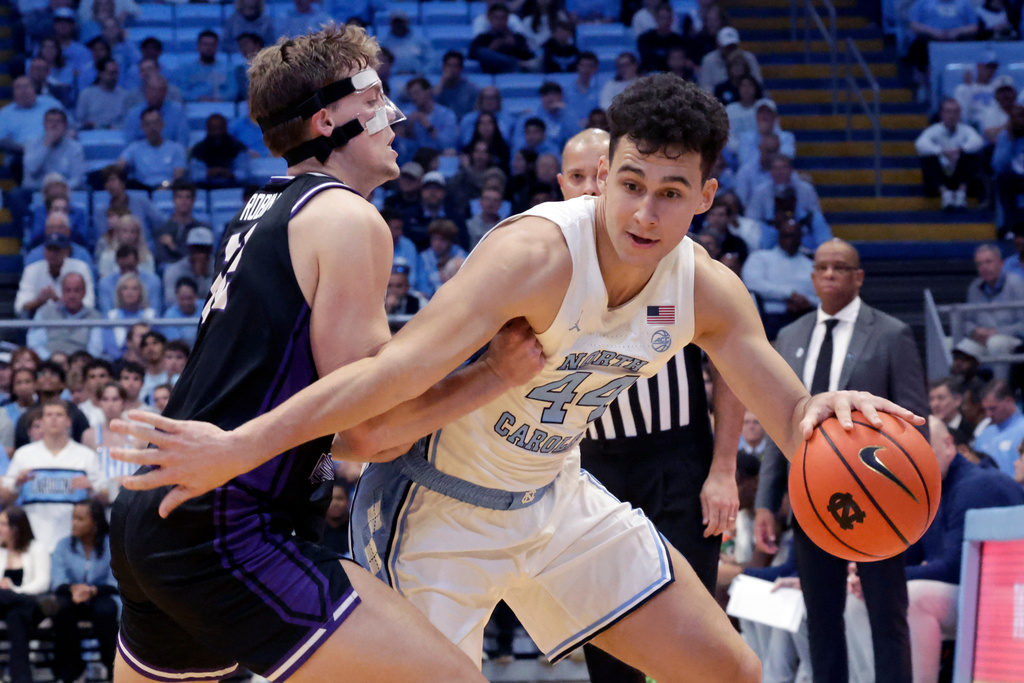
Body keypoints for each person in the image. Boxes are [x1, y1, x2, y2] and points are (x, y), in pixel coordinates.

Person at [111, 73, 923, 682]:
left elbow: (793, 417)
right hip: (436, 511)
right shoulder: (533, 258)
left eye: (671, 195)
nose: (644, 212)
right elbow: (379, 391)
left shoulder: (707, 288)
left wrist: (828, 414)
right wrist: (240, 445)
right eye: (631, 184)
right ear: (605, 174)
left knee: (732, 672)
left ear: (706, 197)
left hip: (556, 500)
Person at [106, 23, 523, 683]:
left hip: (151, 514)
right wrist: (495, 372)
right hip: (225, 523)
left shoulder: (263, 205)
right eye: (374, 98)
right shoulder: (350, 220)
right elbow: (370, 432)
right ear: (327, 119)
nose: (393, 115)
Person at [555, 116, 746, 683]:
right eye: (577, 177)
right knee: (607, 639)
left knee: (689, 635)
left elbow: (733, 371)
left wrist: (724, 469)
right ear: (562, 184)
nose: (589, 187)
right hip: (589, 468)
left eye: (598, 177)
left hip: (678, 458)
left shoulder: (685, 265)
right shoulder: (543, 263)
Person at [754, 238, 929, 683]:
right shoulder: (790, 336)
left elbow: (913, 421)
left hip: (878, 497)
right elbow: (779, 428)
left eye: (840, 267)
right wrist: (765, 503)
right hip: (811, 498)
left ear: (858, 277)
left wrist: (904, 495)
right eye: (822, 267)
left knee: (886, 616)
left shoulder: (892, 334)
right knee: (821, 618)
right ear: (812, 277)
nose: (830, 274)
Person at [2, 399, 100, 553]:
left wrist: (92, 487)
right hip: (32, 542)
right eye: (48, 415)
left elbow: (104, 498)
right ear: (41, 421)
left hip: (72, 543)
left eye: (59, 415)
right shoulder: (24, 455)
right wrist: (17, 483)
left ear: (68, 421)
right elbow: (5, 498)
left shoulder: (86, 456)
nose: (53, 419)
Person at [49, 498, 120, 683]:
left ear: (94, 522)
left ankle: (112, 668)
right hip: (72, 597)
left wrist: (92, 591)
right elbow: (58, 580)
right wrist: (74, 588)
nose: (73, 523)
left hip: (102, 595)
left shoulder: (111, 545)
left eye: (79, 519)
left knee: (105, 610)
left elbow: (115, 581)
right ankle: (72, 670)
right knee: (61, 607)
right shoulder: (63, 545)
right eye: (73, 518)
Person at [0, 506, 50, 683]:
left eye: (3, 524)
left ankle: (20, 678)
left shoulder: (37, 548)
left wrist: (14, 590)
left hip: (30, 607)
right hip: (7, 603)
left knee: (16, 616)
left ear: (16, 527)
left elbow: (43, 582)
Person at [914, 98, 984, 210]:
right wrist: (941, 151)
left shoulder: (966, 129)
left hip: (960, 176)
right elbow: (920, 144)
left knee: (971, 155)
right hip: (939, 179)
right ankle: (945, 194)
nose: (952, 115)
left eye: (956, 112)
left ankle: (961, 193)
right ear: (942, 114)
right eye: (948, 112)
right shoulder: (934, 130)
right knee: (927, 157)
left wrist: (959, 150)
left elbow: (978, 142)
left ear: (960, 114)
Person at [963, 243, 1024, 368]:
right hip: (982, 339)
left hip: (1012, 339)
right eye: (979, 264)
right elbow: (967, 320)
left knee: (996, 343)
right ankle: (955, 386)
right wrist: (975, 331)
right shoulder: (974, 287)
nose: (984, 267)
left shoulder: (1016, 284)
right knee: (958, 347)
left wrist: (996, 332)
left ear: (1001, 263)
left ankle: (1002, 384)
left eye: (988, 262)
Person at [26, 271, 104, 360]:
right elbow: (35, 344)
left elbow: (95, 349)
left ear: (84, 292)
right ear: (62, 291)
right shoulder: (45, 312)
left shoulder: (95, 317)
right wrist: (51, 359)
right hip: (50, 363)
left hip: (81, 365)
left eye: (77, 290)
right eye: (68, 290)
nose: (72, 295)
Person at [22, 108, 85, 191]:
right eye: (50, 121)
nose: (54, 125)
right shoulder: (31, 144)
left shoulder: (75, 147)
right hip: (36, 189)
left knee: (86, 189)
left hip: (64, 190)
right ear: (44, 124)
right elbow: (32, 169)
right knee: (17, 193)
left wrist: (59, 189)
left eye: (58, 122)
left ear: (65, 126)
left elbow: (77, 178)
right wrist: (46, 145)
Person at [972, 378, 1024, 475]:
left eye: (993, 408)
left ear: (1009, 400)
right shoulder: (983, 433)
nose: (988, 415)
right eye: (985, 409)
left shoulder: (1022, 429)